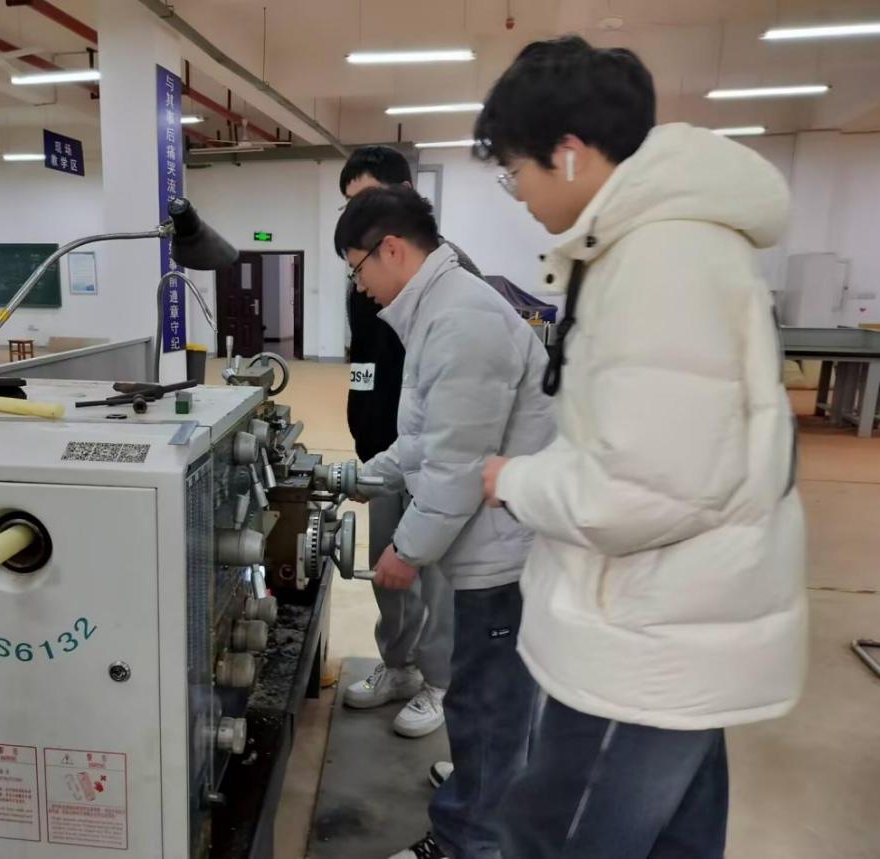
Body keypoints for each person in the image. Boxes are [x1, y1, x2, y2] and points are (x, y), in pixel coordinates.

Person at [476, 36, 806, 857]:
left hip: (645, 641)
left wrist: (514, 479)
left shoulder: (660, 260)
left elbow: (645, 490)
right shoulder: (660, 244)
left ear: (569, 153)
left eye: (515, 172)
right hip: (681, 627)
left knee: (553, 836)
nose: (518, 194)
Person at [335, 186, 554, 859]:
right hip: (493, 542)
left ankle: (468, 840)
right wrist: (359, 474)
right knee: (487, 698)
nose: (359, 285)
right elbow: (428, 438)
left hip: (506, 553)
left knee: (487, 702)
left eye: (357, 267)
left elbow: (459, 463)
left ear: (391, 249)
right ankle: (484, 788)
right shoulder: (441, 311)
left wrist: (406, 549)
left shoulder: (462, 321)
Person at [340, 145, 484, 739]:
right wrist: (361, 431)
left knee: (436, 578)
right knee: (389, 571)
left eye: (366, 202)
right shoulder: (365, 277)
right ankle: (397, 666)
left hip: (435, 454)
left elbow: (456, 423)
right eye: (348, 206)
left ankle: (440, 681)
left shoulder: (452, 283)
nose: (355, 218)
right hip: (386, 450)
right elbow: (363, 358)